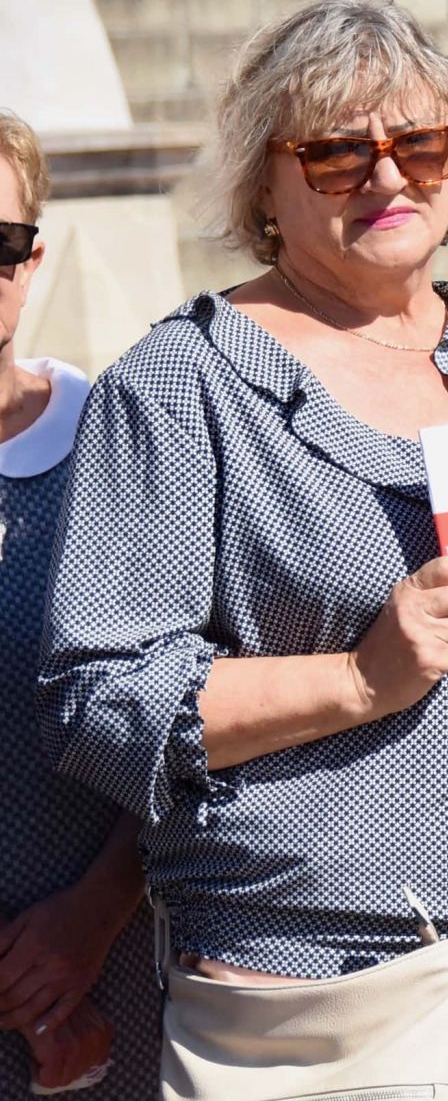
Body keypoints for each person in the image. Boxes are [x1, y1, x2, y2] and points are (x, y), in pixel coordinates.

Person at [36, 0, 448, 1100]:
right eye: (338, 153)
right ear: (265, 180)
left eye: (419, 143)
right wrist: (359, 678)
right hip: (316, 970)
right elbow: (100, 697)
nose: (389, 177)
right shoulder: (179, 386)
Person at [1, 111, 154, 1097]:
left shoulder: (119, 444)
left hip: (104, 980)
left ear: (33, 255)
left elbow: (197, 719)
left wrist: (97, 908)